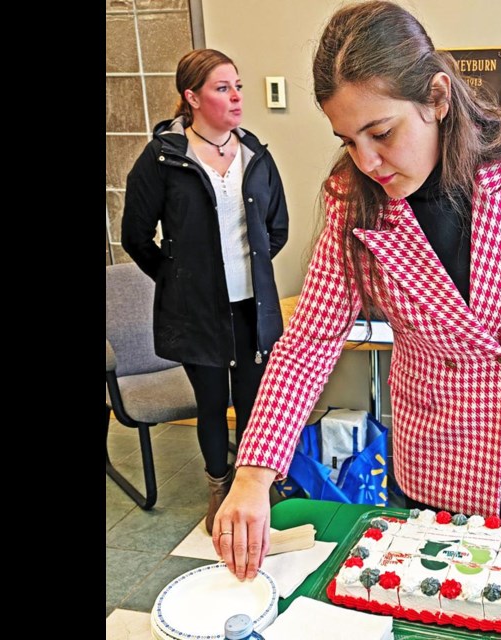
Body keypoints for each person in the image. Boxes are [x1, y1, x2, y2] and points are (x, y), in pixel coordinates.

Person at [213, 0, 501, 580]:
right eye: (348, 140)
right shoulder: (352, 197)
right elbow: (308, 343)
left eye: (380, 132)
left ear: (436, 97)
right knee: (431, 592)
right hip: (435, 446)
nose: (368, 160)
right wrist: (253, 473)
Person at [121, 49, 290, 534]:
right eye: (222, 88)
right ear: (192, 98)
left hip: (252, 309)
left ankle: (255, 487)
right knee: (212, 403)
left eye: (237, 85)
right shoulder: (162, 159)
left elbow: (276, 229)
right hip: (196, 312)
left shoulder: (257, 155)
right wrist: (179, 282)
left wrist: (248, 276)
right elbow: (136, 236)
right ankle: (218, 488)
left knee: (257, 404)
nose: (236, 96)